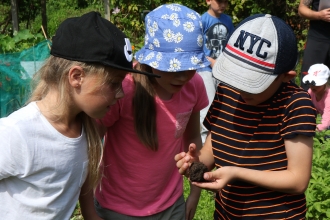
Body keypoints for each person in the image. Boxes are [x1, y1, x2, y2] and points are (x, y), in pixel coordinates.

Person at [0, 11, 157, 219]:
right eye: (113, 83)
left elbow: (81, 189)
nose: (121, 93)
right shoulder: (16, 133)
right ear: (76, 77)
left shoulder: (86, 130)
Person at [175, 14, 317, 219]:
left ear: (286, 77)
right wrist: (195, 162)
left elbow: (298, 180)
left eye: (253, 81)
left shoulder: (295, 104)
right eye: (237, 75)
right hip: (226, 213)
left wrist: (236, 173)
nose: (242, 88)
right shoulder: (227, 91)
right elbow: (213, 149)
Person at [93, 4, 210, 220]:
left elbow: (193, 138)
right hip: (117, 209)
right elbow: (90, 141)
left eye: (190, 66)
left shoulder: (195, 85)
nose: (183, 76)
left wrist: (195, 192)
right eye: (173, 67)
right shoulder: (125, 89)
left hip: (171, 206)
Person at [197, 0, 234, 144]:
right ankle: (202, 143)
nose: (222, 5)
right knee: (207, 106)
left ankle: (220, 140)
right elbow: (197, 47)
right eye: (219, 1)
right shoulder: (202, 20)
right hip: (205, 69)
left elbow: (231, 45)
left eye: (225, 1)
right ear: (208, 1)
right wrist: (211, 62)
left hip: (223, 70)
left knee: (223, 104)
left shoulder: (227, 20)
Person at [298, 0, 330, 91]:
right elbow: (301, 9)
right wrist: (319, 15)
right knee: (309, 83)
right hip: (317, 38)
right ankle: (305, 104)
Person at [303, 63, 330, 131]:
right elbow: (306, 108)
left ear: (325, 83)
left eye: (317, 85)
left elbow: (327, 118)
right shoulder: (311, 92)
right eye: (311, 83)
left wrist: (316, 129)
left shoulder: (328, 96)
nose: (313, 87)